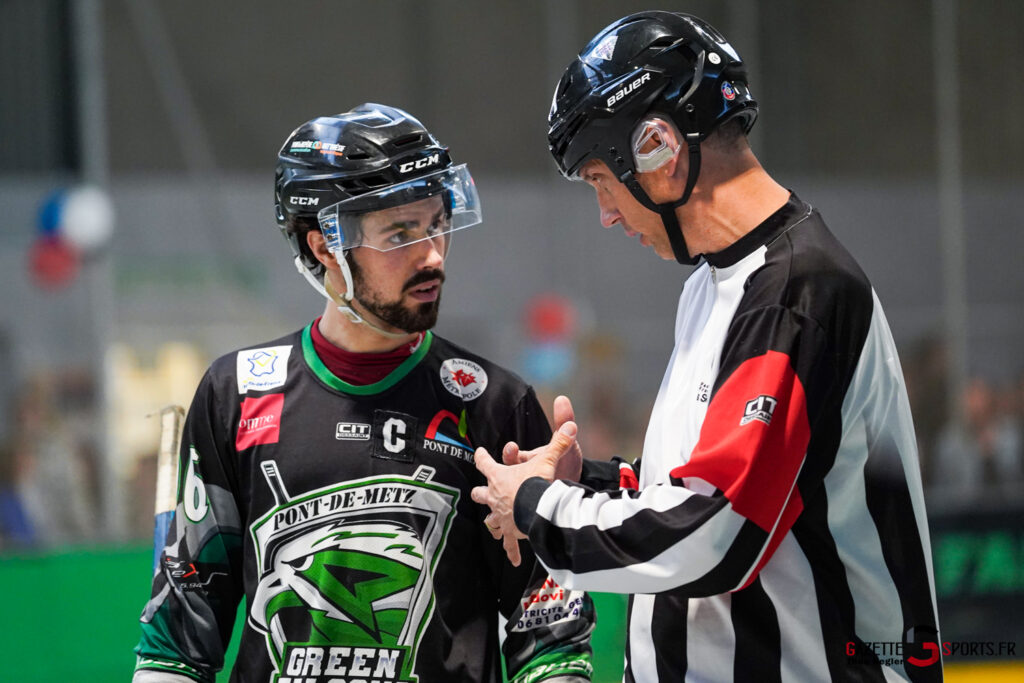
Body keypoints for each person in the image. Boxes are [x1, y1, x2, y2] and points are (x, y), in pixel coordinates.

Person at [472, 12, 942, 682]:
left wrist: (538, 506)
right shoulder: (716, 285)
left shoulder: (797, 291)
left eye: (600, 178)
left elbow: (717, 532)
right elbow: (706, 483)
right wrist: (588, 482)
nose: (606, 213)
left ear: (658, 147)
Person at [133, 104, 594, 683]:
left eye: (437, 224)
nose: (432, 254)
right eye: (401, 234)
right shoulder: (237, 394)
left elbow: (550, 639)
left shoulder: (494, 403)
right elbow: (179, 641)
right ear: (325, 248)